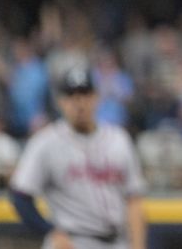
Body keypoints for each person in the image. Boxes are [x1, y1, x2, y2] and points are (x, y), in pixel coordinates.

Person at [9, 67, 147, 249]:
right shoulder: (46, 143)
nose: (79, 102)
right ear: (60, 101)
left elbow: (134, 200)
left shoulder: (119, 140)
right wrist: (50, 231)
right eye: (71, 96)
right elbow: (20, 196)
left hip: (119, 241)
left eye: (85, 94)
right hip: (73, 241)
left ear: (96, 97)